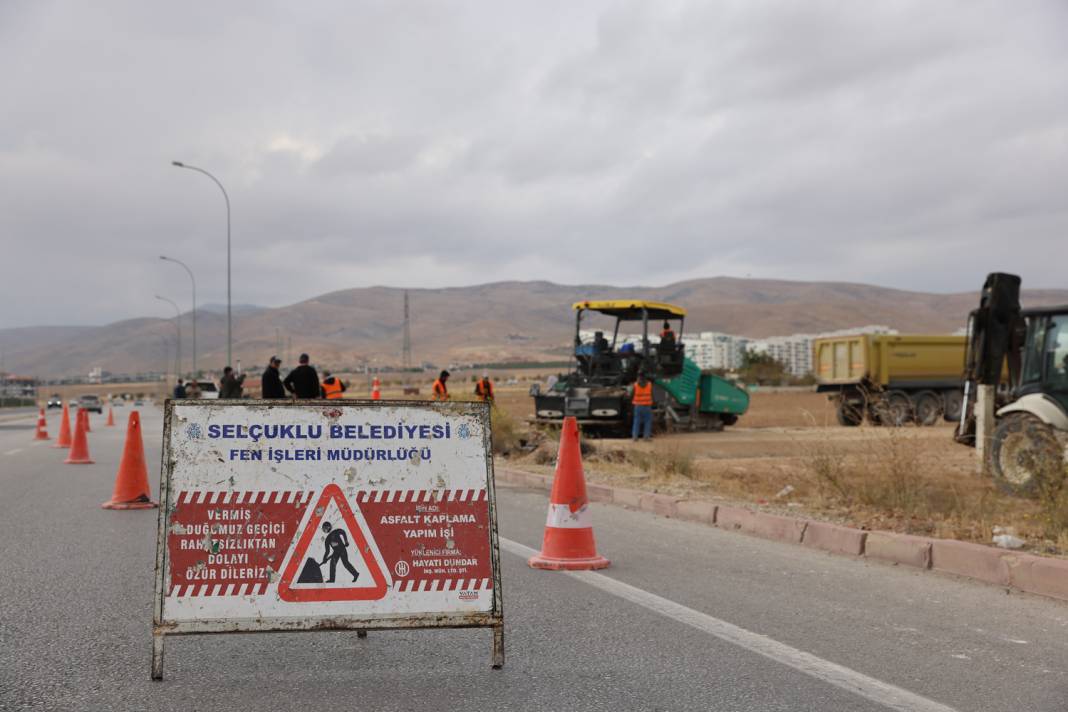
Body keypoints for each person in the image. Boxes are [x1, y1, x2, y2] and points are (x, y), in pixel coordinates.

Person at [630, 372, 654, 441]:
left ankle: (635, 437)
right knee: (647, 421)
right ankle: (646, 437)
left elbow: (631, 395)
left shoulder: (635, 385)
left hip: (638, 406)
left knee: (636, 421)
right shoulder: (649, 384)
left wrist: (632, 403)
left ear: (638, 377)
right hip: (647, 405)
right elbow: (652, 395)